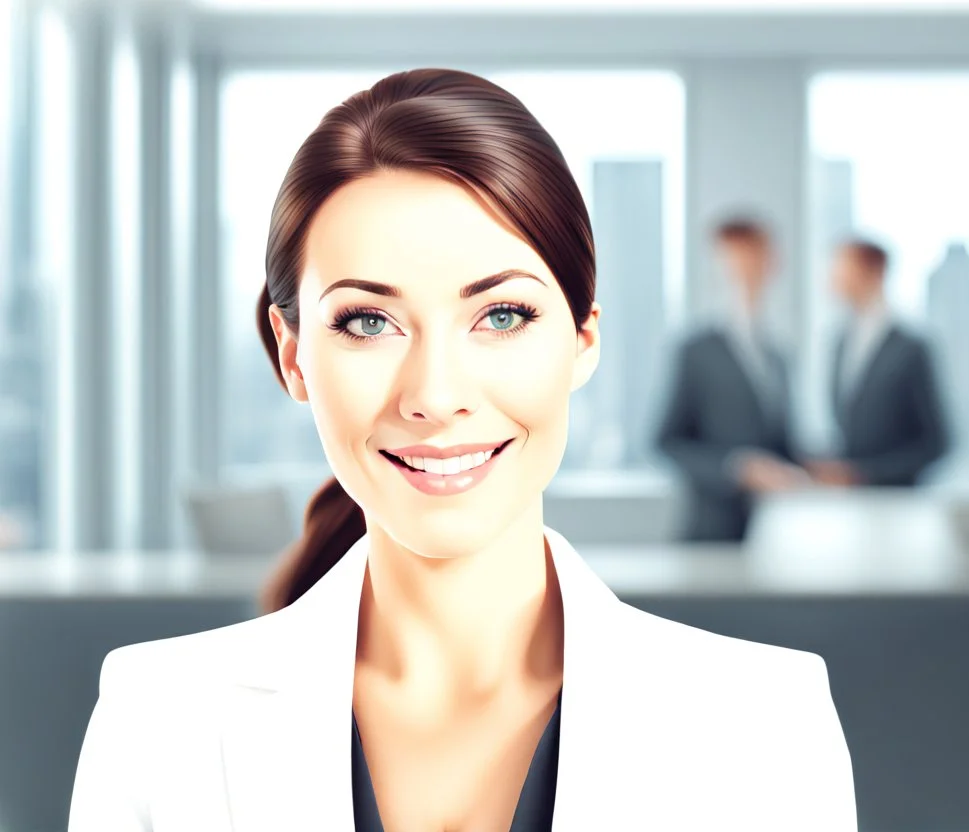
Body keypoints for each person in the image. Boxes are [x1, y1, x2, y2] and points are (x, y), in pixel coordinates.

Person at [67, 69, 856, 831]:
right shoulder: (157, 721)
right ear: (292, 353)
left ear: (583, 340)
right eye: (368, 321)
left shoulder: (766, 726)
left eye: (502, 315)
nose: (436, 395)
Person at [655, 217, 808, 542]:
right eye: (737, 258)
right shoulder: (695, 350)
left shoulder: (778, 356)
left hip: (775, 529)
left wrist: (813, 467)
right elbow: (667, 442)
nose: (746, 269)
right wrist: (737, 468)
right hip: (713, 530)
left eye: (756, 257)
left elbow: (781, 444)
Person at [812, 237, 950, 488]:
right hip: (849, 502)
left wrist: (868, 474)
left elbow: (937, 443)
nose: (833, 279)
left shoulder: (911, 348)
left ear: (874, 272)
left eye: (842, 269)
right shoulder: (839, 343)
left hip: (897, 500)